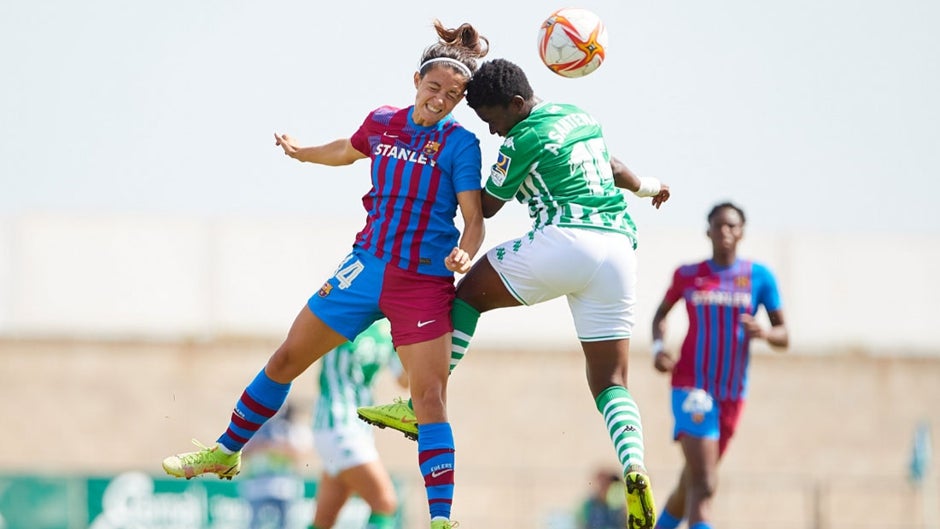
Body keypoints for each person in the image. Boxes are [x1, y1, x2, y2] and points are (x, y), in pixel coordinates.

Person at [161, 19, 490, 529]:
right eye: (434, 88)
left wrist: (465, 254)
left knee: (428, 398)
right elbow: (346, 149)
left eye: (453, 94)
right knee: (288, 356)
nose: (441, 99)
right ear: (416, 82)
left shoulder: (461, 144)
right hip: (365, 266)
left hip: (422, 282)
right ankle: (226, 451)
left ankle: (441, 520)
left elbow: (473, 220)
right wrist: (301, 152)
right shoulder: (383, 121)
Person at [358, 58, 670, 529]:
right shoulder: (578, 115)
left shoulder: (524, 137)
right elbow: (614, 166)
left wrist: (438, 172)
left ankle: (417, 404)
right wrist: (650, 187)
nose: (492, 132)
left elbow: (483, 206)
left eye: (493, 120)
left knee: (465, 297)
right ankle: (634, 467)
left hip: (567, 239)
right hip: (620, 250)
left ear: (518, 105)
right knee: (610, 381)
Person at [649, 202, 789, 529]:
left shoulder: (759, 277)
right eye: (719, 226)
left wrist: (766, 333)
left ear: (741, 233)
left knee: (691, 484)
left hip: (732, 394)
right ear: (707, 231)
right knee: (707, 483)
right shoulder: (688, 275)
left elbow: (785, 335)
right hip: (692, 387)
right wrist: (658, 348)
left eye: (732, 226)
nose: (725, 232)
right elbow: (659, 315)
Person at [311, 319, 407, 529]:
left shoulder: (389, 329)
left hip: (359, 430)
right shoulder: (345, 310)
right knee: (384, 502)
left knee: (323, 521)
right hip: (336, 422)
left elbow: (405, 379)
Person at [239, 401, 312, 529]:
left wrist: (277, 447)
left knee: (287, 524)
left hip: (285, 486)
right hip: (258, 485)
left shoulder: (291, 429)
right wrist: (261, 445)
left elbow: (302, 454)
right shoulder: (254, 430)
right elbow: (241, 452)